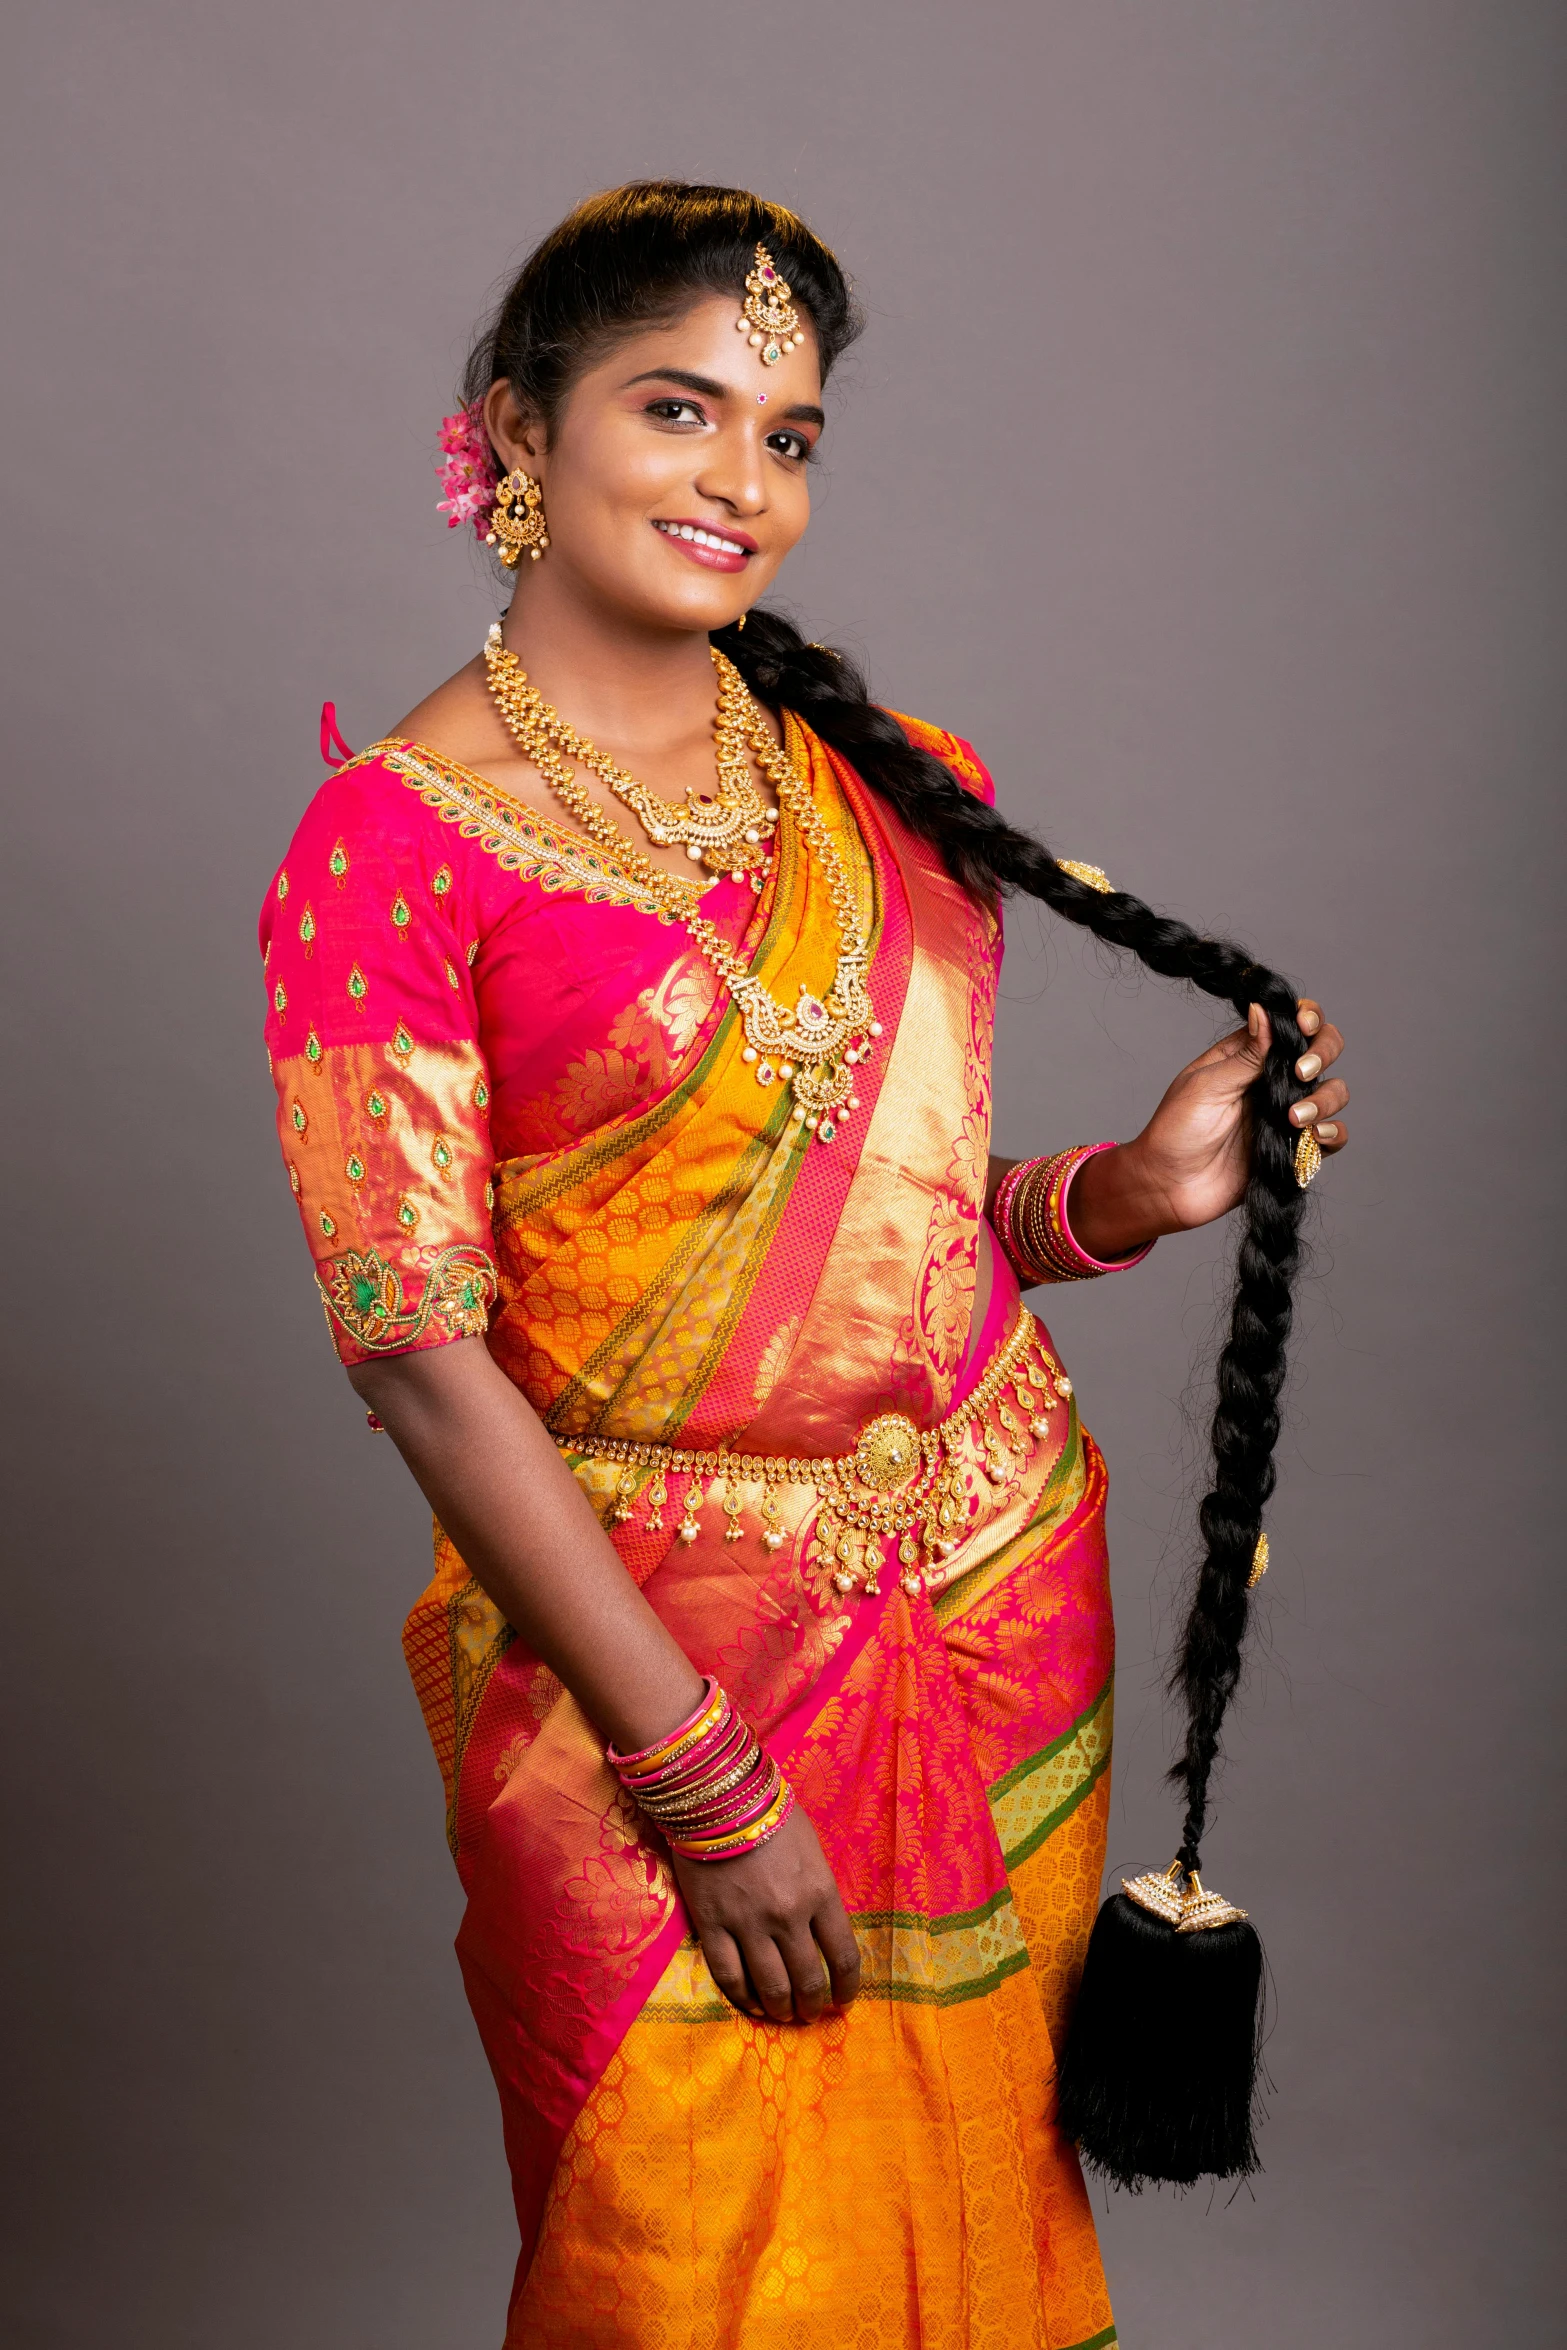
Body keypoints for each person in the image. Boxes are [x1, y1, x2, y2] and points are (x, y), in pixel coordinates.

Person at [260, 182, 1348, 2348]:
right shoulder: (385, 846)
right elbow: (416, 1351)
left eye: (792, 434)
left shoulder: (892, 780)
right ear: (511, 435)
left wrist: (1119, 1196)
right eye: (681, 409)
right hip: (650, 1663)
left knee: (973, 2226)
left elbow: (898, 1238)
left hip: (989, 1593)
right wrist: (693, 1766)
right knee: (689, 2264)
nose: (743, 483)